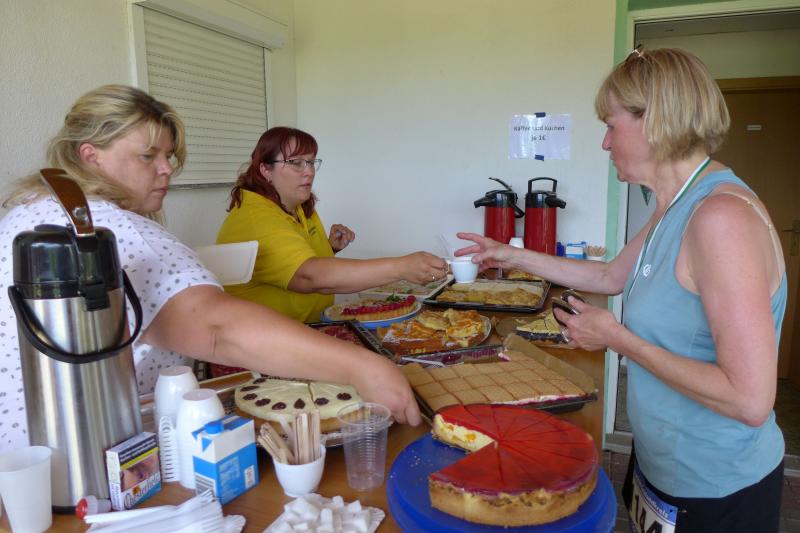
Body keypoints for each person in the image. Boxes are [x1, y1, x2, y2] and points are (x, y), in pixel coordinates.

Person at [456, 48, 785, 532]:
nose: (605, 143)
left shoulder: (721, 218)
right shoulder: (674, 204)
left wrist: (617, 338)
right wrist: (510, 255)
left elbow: (749, 400)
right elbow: (609, 277)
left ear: (656, 121)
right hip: (663, 465)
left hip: (717, 485)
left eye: (611, 125)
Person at [0, 85, 420, 452]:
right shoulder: (118, 230)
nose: (167, 168)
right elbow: (218, 329)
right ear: (90, 156)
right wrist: (364, 366)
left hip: (19, 455)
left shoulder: (30, 212)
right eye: (148, 156)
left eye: (169, 155)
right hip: (83, 454)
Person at [216, 126, 448, 323]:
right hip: (265, 342)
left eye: (311, 162)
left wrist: (329, 249)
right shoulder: (257, 217)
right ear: (266, 169)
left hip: (311, 327)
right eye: (296, 163)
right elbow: (310, 277)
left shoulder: (297, 205)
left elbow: (293, 263)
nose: (308, 172)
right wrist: (402, 267)